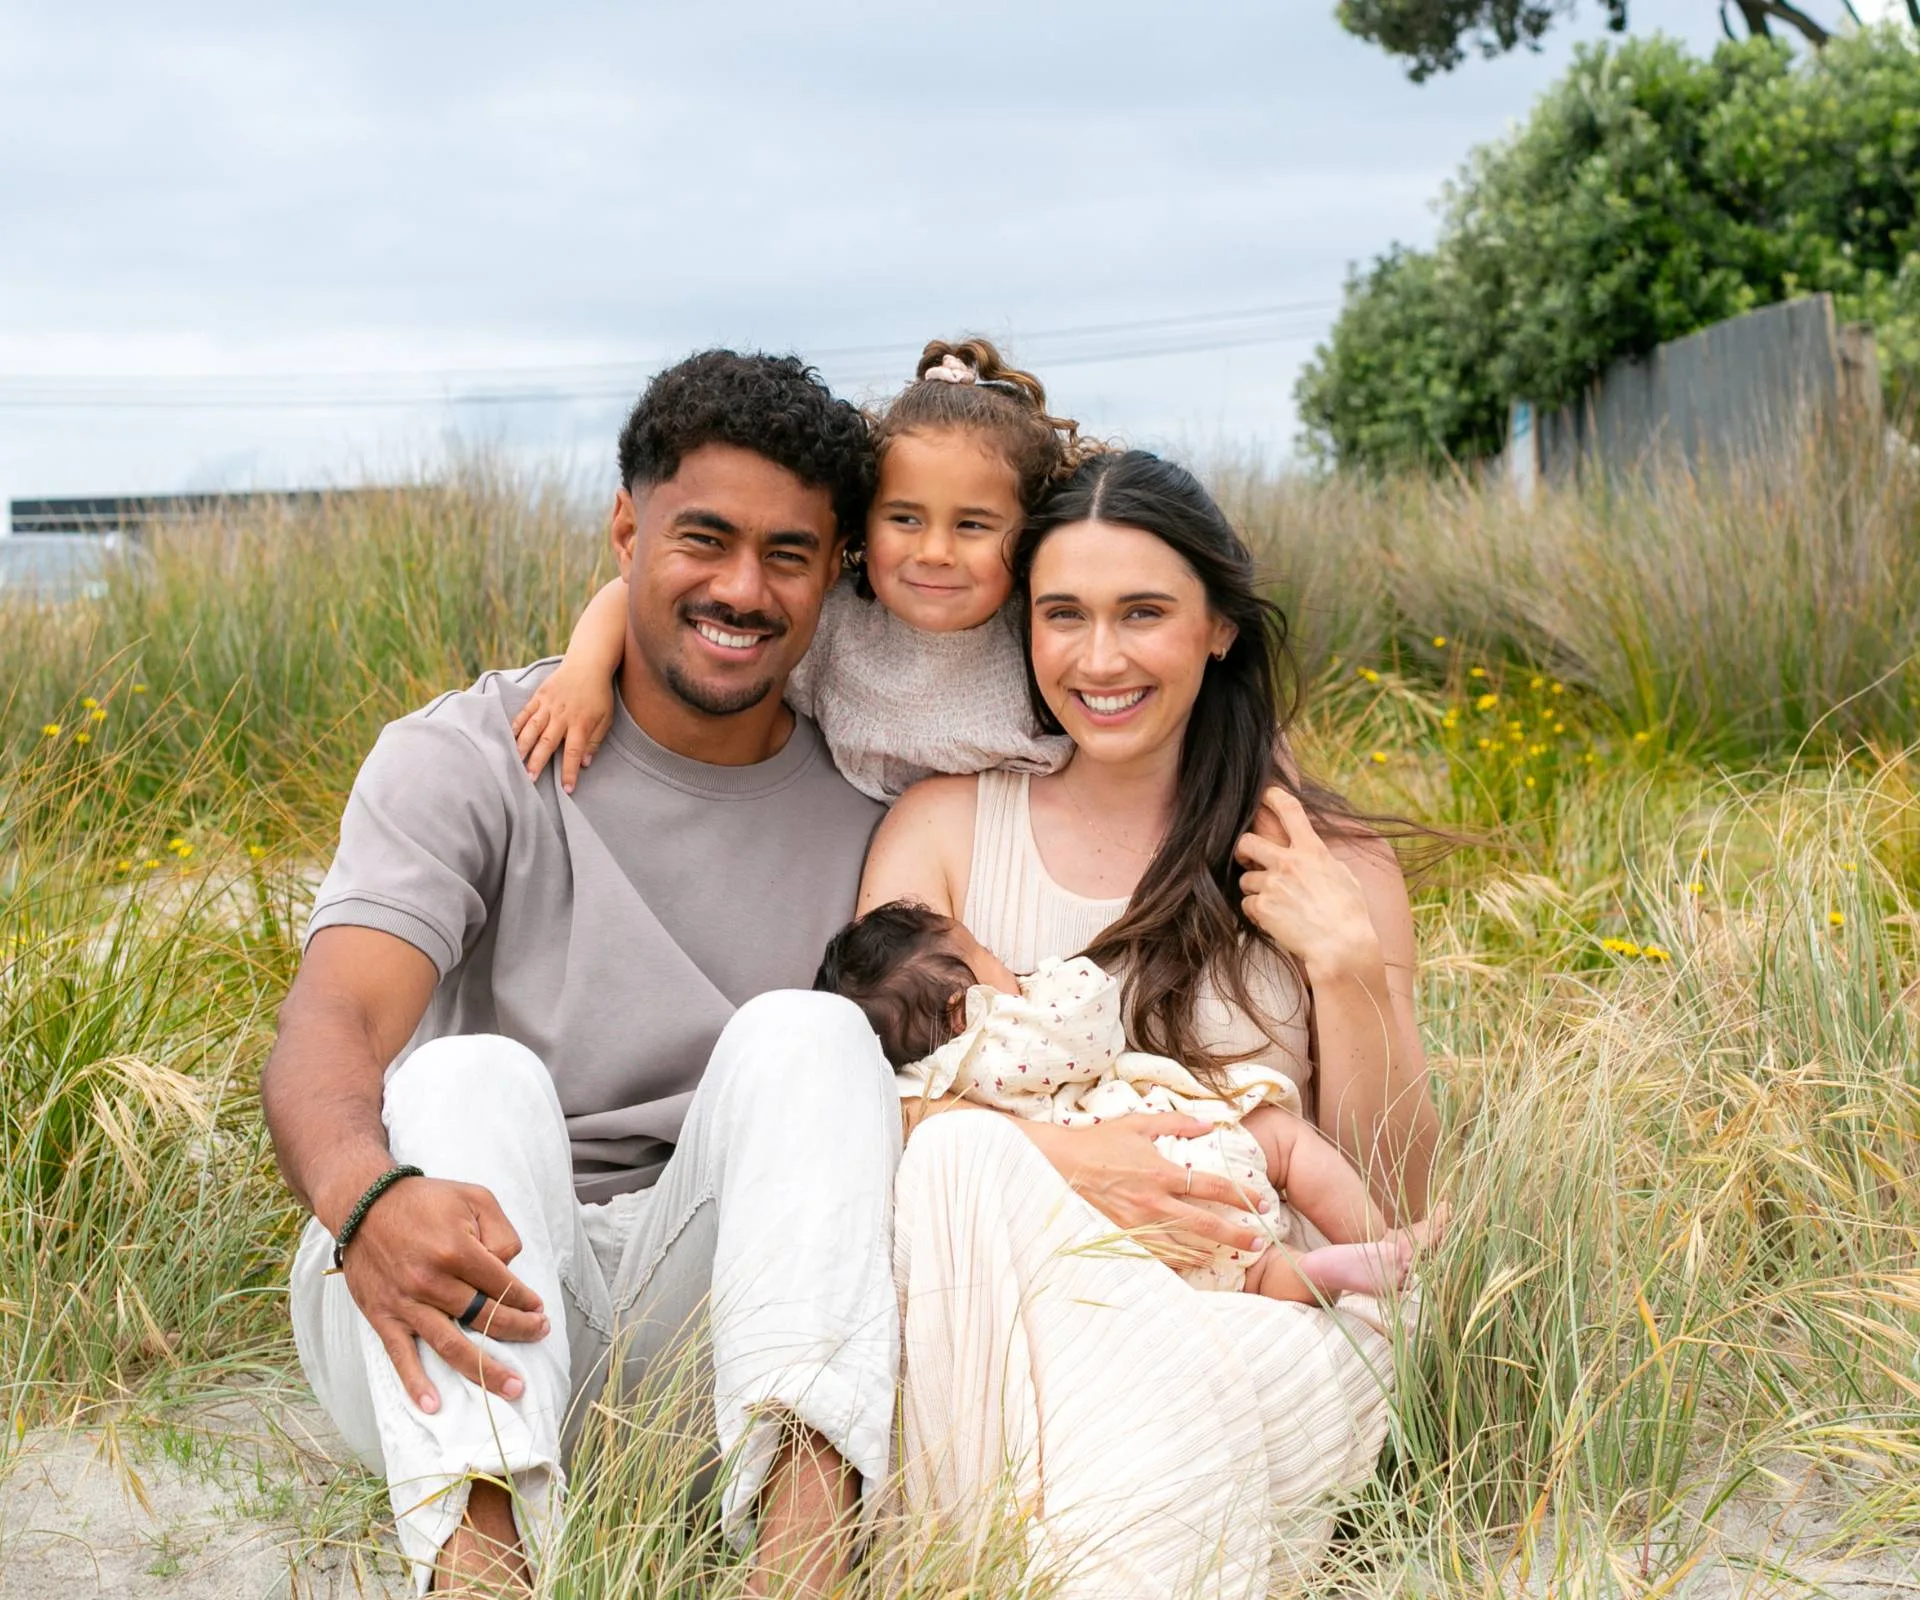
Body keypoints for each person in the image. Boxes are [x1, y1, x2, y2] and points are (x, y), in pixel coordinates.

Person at [261, 351, 900, 1598]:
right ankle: (479, 1563)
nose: (739, 587)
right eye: (701, 538)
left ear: (835, 574)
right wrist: (366, 1197)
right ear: (626, 529)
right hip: (437, 1282)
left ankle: (802, 1564)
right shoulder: (472, 753)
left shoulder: (876, 797)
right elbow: (332, 1018)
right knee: (465, 1072)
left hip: (723, 1325)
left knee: (816, 1037)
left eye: (787, 553)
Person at [858, 449, 1442, 1598]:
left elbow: (1405, 1196)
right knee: (962, 1152)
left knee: (1196, 1385)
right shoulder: (945, 831)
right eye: (1061, 615)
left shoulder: (1335, 868)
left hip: (1267, 1309)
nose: (1100, 657)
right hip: (1026, 1321)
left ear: (1219, 627)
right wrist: (1068, 1163)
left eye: (1144, 614)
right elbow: (877, 1123)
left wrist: (1348, 966)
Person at [508, 338, 1081, 803]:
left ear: (1027, 534)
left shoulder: (1034, 637)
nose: (934, 551)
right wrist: (584, 671)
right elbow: (629, 591)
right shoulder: (837, 622)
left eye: (973, 526)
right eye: (905, 519)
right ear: (860, 531)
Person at [815, 900, 1438, 1302]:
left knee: (1253, 1273)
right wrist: (1050, 980)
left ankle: (1321, 1275)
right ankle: (1380, 1244)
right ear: (966, 1007)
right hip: (1165, 1150)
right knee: (1279, 1138)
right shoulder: (1008, 1036)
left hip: (1121, 1245)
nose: (1010, 967)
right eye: (990, 958)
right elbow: (1093, 1023)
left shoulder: (922, 1082)